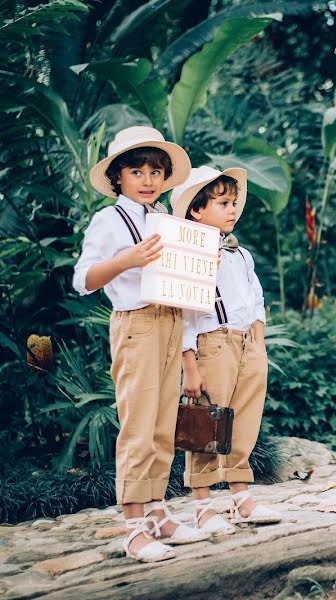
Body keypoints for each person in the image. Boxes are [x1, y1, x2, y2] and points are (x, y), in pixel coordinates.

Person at [73, 126, 209, 562]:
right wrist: (125, 260)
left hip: (170, 321)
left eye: (155, 171)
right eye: (136, 171)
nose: (147, 179)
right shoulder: (108, 220)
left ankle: (158, 513)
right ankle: (133, 529)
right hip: (136, 323)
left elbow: (181, 287)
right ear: (118, 177)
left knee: (161, 423)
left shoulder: (166, 219)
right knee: (138, 424)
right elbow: (83, 280)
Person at [172, 166, 281, 535]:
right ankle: (202, 505)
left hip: (247, 342)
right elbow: (184, 312)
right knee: (206, 422)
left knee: (245, 419)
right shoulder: (190, 253)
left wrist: (259, 341)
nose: (233, 209)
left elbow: (257, 298)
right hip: (212, 342)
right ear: (197, 211)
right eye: (223, 203)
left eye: (234, 202)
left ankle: (240, 497)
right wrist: (190, 364)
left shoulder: (241, 254)